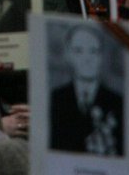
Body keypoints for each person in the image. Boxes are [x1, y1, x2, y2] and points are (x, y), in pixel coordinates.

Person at [49, 24, 124, 155]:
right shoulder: (54, 99)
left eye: (93, 51)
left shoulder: (119, 103)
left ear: (101, 56)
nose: (87, 58)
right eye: (78, 50)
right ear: (69, 55)